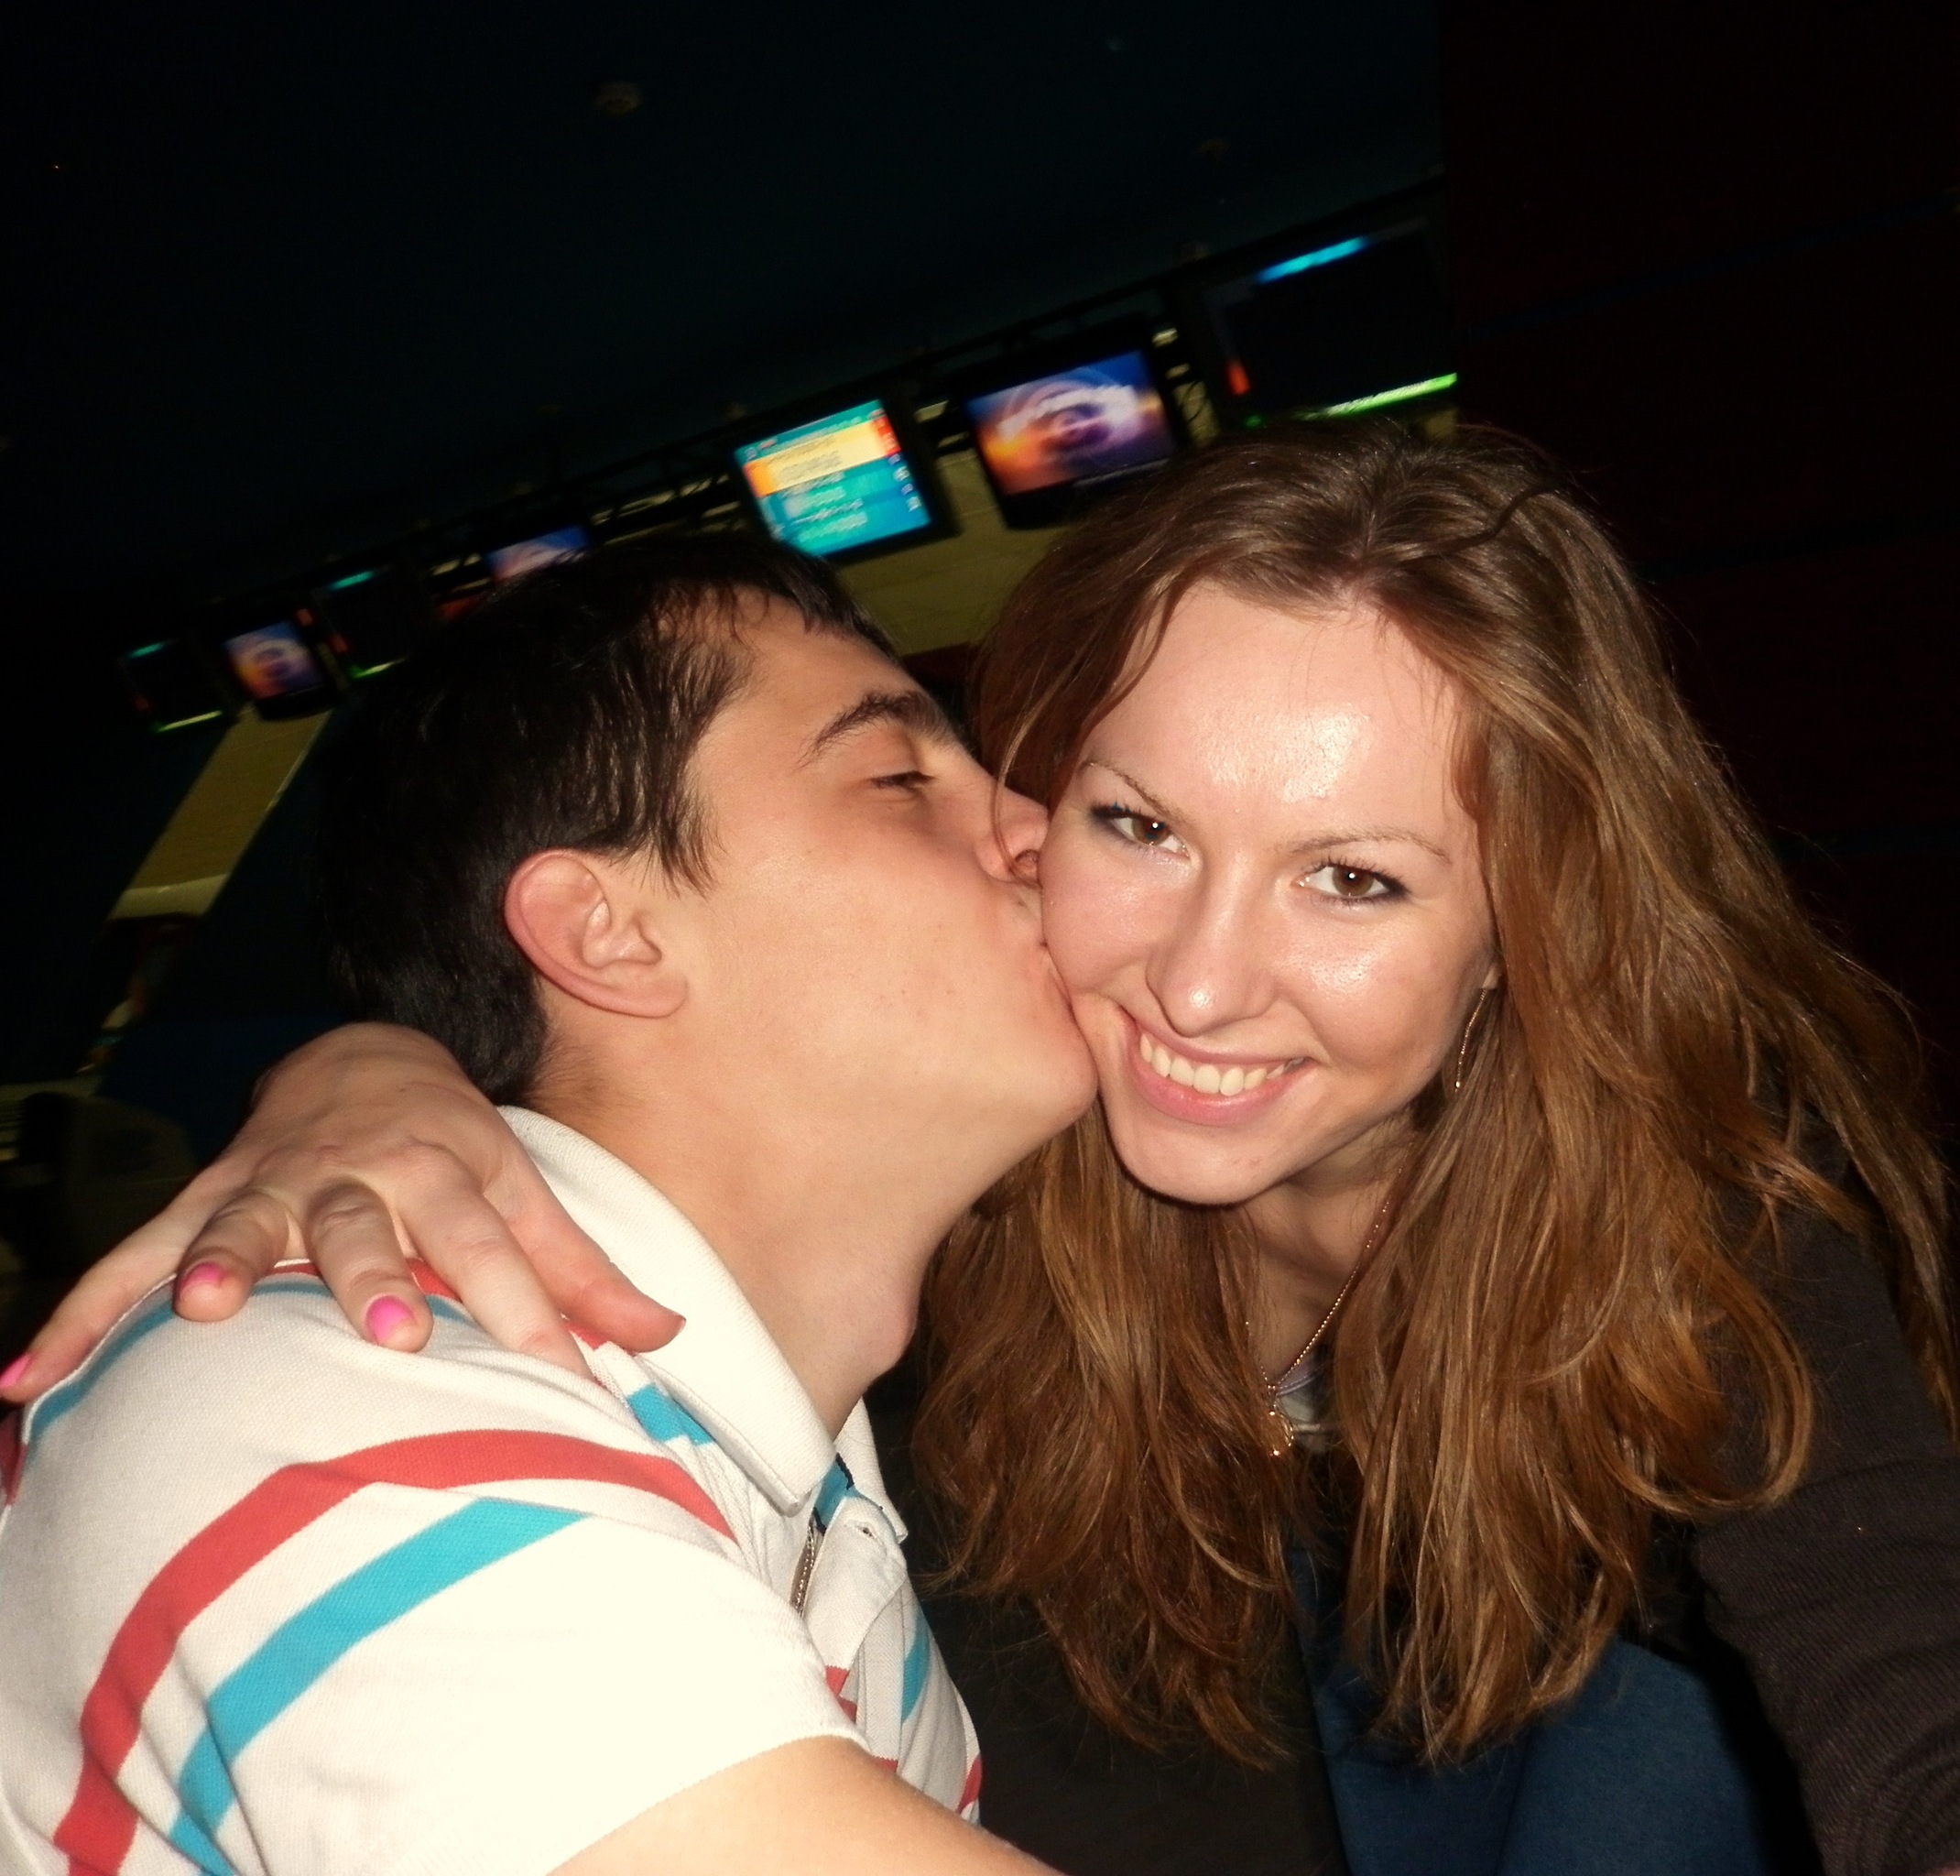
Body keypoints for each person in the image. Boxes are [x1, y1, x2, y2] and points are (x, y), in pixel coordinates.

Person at [16, 426, 1960, 1876]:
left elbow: (1905, 1670)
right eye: (1130, 823)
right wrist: (380, 1072)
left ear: (1527, 933)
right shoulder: (401, 1413)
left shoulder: (1688, 1208)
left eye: (1355, 879)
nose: (1190, 974)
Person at [0, 537, 1105, 1874]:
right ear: (604, 932)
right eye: (898, 776)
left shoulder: (813, 1507)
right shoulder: (349, 1402)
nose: (1041, 830)